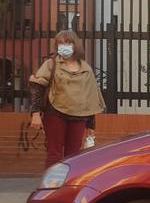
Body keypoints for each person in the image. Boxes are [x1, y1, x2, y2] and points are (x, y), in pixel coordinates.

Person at [29, 30, 105, 168]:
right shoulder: (51, 65)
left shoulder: (86, 68)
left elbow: (90, 98)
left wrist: (91, 125)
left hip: (79, 116)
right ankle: (52, 187)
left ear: (75, 44)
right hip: (55, 113)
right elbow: (37, 87)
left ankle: (69, 186)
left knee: (74, 155)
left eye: (68, 42)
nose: (64, 46)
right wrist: (35, 113)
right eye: (60, 43)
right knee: (54, 153)